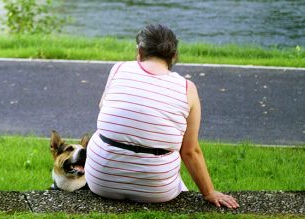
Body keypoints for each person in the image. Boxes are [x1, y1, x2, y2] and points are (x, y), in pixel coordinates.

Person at [84, 23, 239, 209]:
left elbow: (103, 108)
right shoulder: (187, 89)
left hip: (102, 181)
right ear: (174, 56)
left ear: (139, 51)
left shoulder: (119, 69)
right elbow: (190, 151)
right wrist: (209, 192)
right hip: (156, 191)